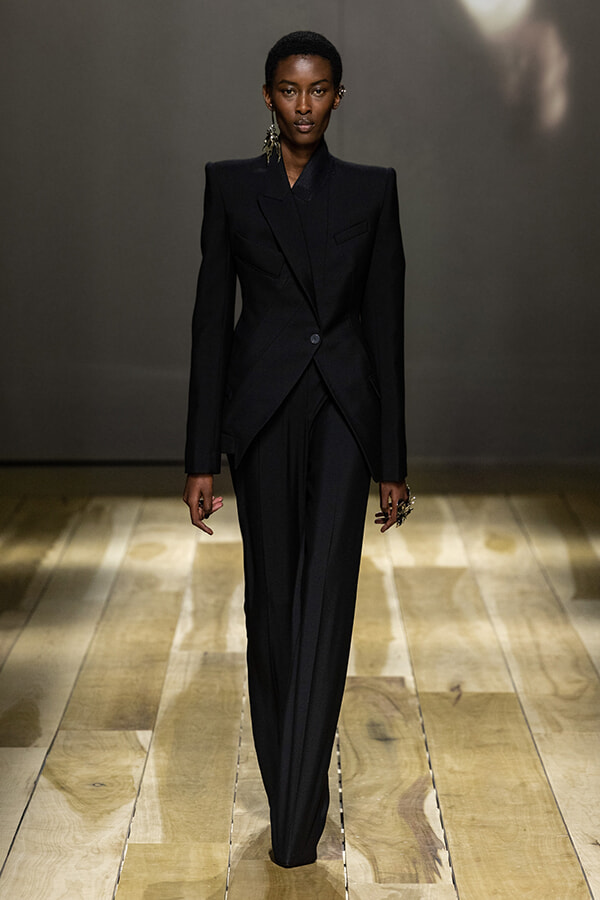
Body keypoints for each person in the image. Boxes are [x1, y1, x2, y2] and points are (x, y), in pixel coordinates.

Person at [183, 31, 409, 868]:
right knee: (271, 603)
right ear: (268, 95)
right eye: (289, 89)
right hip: (264, 413)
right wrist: (200, 453)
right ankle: (291, 791)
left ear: (338, 97)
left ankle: (297, 815)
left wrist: (393, 462)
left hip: (345, 409)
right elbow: (212, 320)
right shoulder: (230, 185)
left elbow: (385, 327)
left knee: (327, 599)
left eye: (318, 90)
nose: (303, 105)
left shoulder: (372, 190)